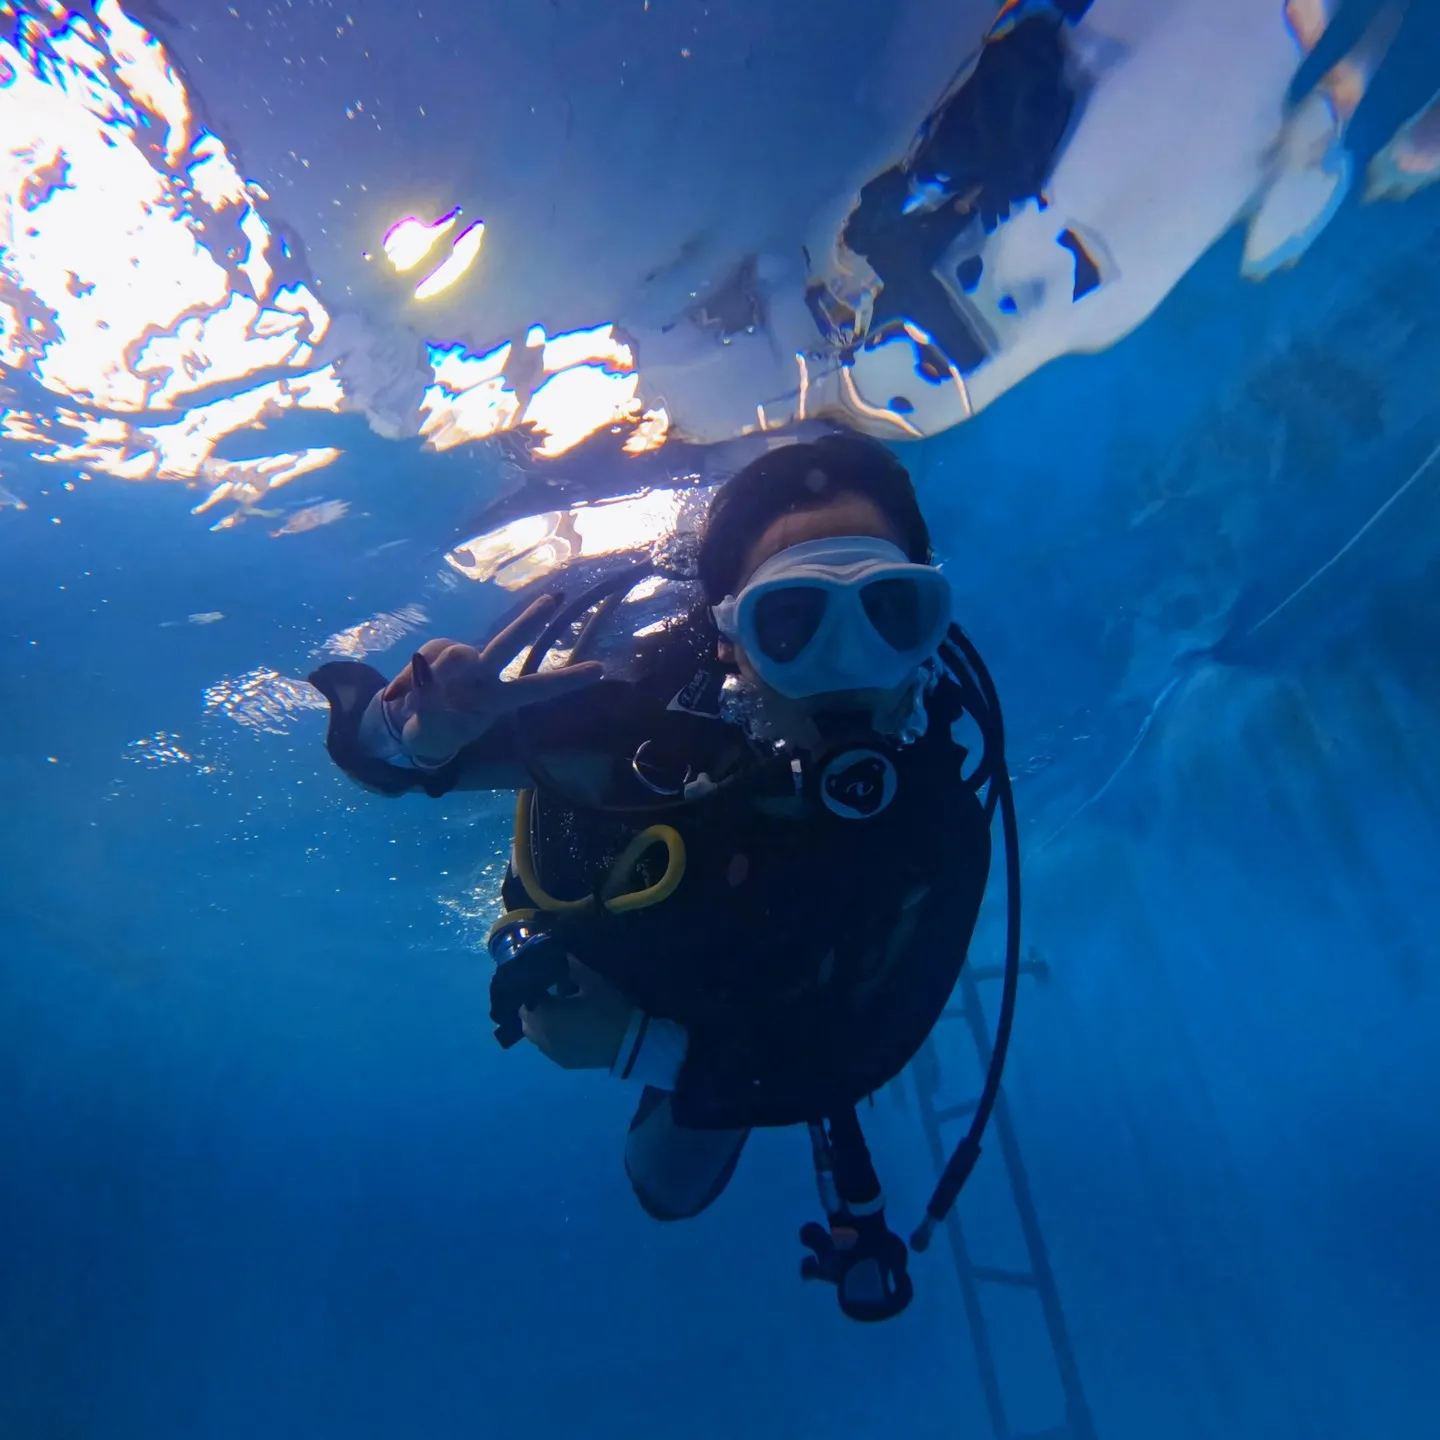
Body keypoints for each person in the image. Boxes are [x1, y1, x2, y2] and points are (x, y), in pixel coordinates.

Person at [309, 430, 1016, 1322]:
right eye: (791, 623)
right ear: (730, 644)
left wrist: (642, 1047)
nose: (848, 668)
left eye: (891, 615)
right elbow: (384, 762)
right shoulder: (644, 718)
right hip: (625, 959)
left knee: (672, 1184)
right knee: (667, 1187)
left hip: (758, 1022)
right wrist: (405, 721)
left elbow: (867, 1051)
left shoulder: (934, 820)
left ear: (931, 629)